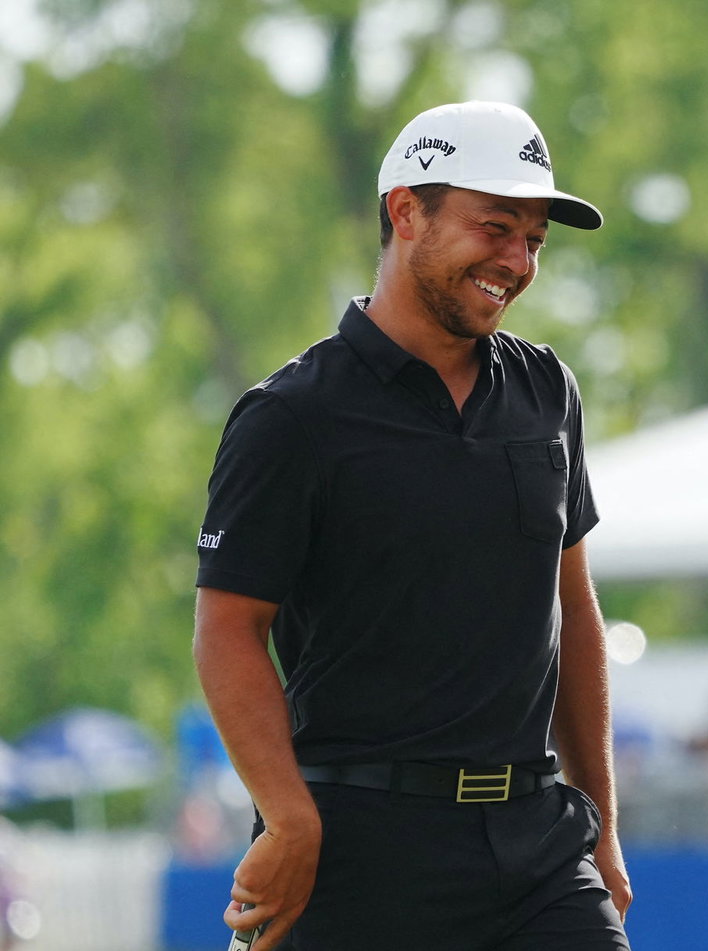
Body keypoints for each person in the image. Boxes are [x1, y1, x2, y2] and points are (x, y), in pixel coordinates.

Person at [193, 101, 630, 951]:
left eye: (535, 240)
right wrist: (289, 821)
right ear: (405, 210)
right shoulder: (291, 416)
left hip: (536, 846)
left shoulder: (548, 394)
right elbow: (227, 629)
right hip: (355, 846)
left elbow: (573, 612)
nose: (518, 260)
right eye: (496, 227)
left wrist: (603, 826)